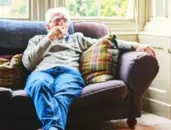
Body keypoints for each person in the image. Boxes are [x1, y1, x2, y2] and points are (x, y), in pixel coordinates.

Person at [22, 7, 155, 130]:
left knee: (64, 93)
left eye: (65, 20)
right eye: (57, 20)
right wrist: (50, 38)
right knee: (40, 85)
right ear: (48, 25)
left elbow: (106, 41)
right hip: (42, 72)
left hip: (69, 73)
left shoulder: (77, 39)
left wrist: (135, 45)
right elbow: (28, 63)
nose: (62, 24)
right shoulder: (37, 39)